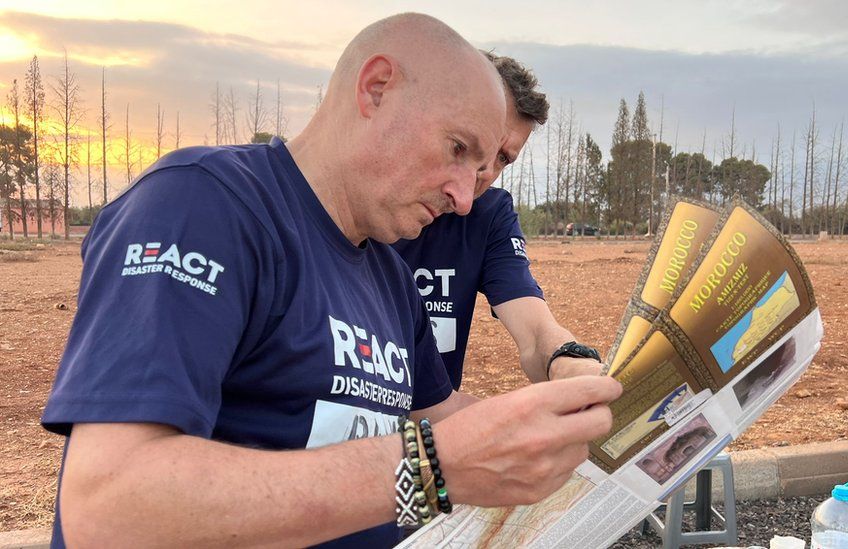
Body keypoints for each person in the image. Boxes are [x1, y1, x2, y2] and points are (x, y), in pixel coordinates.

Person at [40, 13, 621, 548]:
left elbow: (439, 421)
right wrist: (432, 469)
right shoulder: (204, 205)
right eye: (457, 148)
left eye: (483, 165)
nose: (466, 197)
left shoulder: (389, 277)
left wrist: (563, 427)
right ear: (376, 88)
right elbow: (108, 510)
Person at [393, 53, 603, 390]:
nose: (486, 170)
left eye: (503, 158)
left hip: (434, 432)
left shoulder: (488, 215)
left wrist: (568, 363)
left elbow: (534, 330)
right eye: (469, 145)